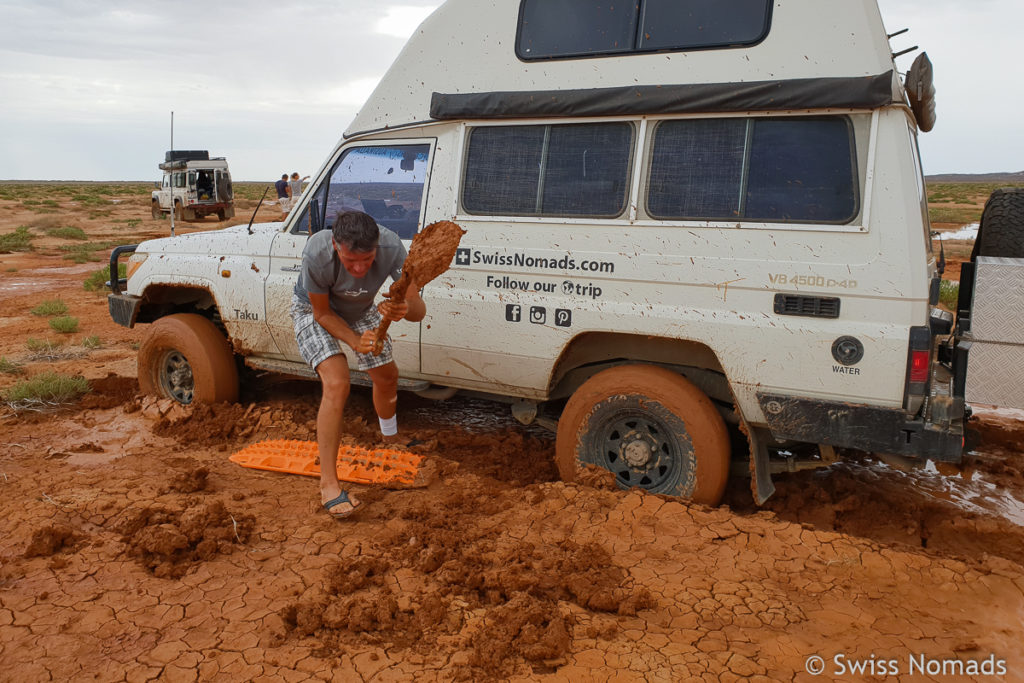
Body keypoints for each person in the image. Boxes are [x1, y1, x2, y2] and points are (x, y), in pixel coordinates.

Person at [290, 210, 425, 519]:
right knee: (337, 382)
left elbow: (419, 312)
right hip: (314, 309)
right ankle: (329, 485)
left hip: (359, 308)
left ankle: (390, 438)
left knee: (387, 376)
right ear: (337, 247)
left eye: (367, 259)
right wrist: (352, 340)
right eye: (351, 261)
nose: (360, 267)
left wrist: (405, 306)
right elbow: (322, 314)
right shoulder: (317, 253)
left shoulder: (391, 247)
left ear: (377, 245)